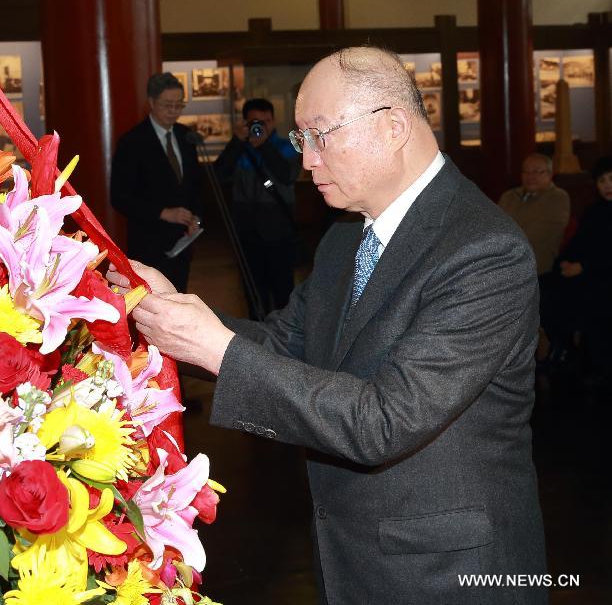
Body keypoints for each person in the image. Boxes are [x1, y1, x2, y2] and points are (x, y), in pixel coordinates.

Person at [111, 47, 547, 603]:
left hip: (448, 569)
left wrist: (218, 349)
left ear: (392, 126)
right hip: (352, 552)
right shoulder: (348, 236)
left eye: (320, 136)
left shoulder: (483, 250)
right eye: (300, 141)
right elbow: (287, 342)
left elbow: (385, 420)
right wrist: (172, 311)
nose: (307, 162)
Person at [110, 73, 202, 293]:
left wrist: (196, 217)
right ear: (151, 102)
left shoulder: (186, 136)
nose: (174, 111)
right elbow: (120, 196)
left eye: (179, 105)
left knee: (179, 297)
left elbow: (195, 184)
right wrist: (162, 212)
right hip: (149, 243)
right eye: (167, 105)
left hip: (182, 242)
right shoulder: (132, 141)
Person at [214, 98, 301, 317]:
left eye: (266, 121)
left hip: (279, 233)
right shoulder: (239, 149)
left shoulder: (286, 147)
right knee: (254, 295)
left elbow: (287, 175)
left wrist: (263, 145)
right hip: (247, 235)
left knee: (283, 295)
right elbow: (218, 175)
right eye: (255, 122)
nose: (261, 126)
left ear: (273, 121)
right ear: (245, 122)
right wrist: (236, 141)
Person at [541, 156, 612, 378]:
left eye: (611, 179)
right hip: (585, 272)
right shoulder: (594, 212)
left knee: (591, 296)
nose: (607, 186)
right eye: (602, 181)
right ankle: (561, 347)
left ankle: (593, 364)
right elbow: (577, 244)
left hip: (603, 275)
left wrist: (584, 267)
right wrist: (564, 262)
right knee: (543, 286)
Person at [498, 153, 570, 276]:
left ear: (550, 174)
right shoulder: (508, 196)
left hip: (537, 262)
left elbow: (544, 232)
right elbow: (494, 225)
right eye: (526, 172)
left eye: (537, 171)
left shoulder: (558, 197)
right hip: (501, 259)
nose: (530, 176)